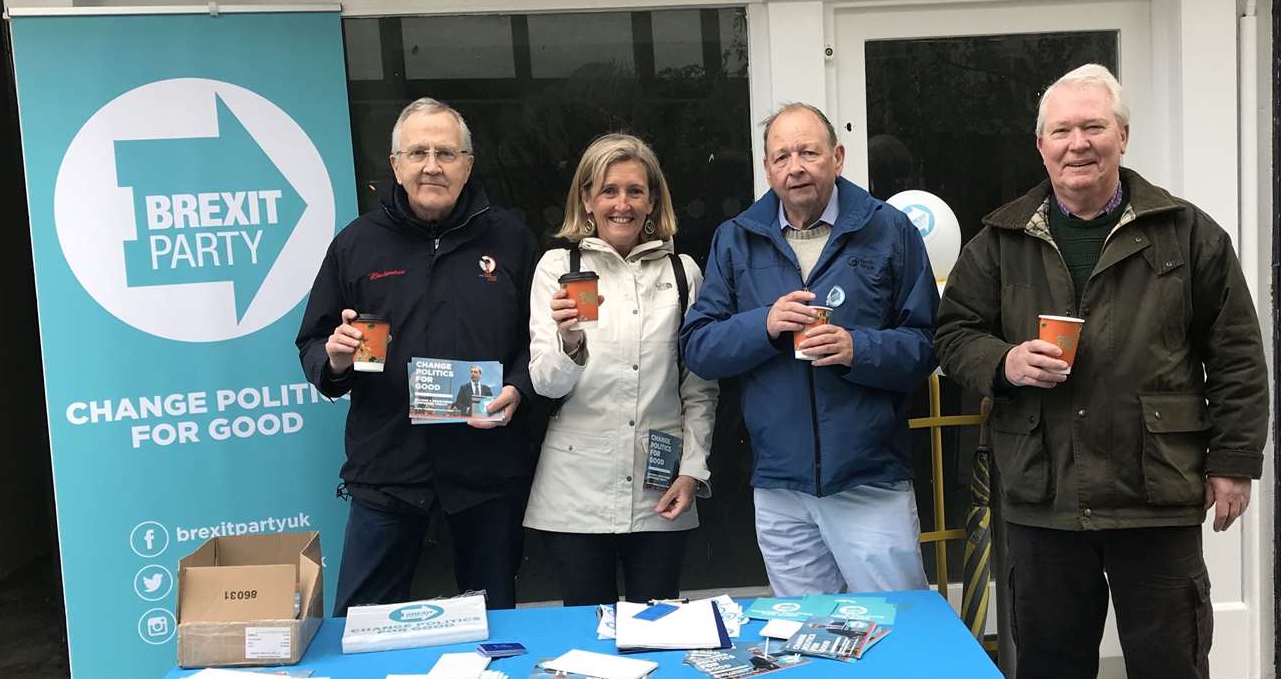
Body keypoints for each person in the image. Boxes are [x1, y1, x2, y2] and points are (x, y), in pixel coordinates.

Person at [935, 64, 1268, 679]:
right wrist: (1003, 363)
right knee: (1047, 668)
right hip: (1041, 490)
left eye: (1092, 127)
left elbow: (1234, 355)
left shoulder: (1184, 233)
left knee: (1171, 670)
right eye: (1060, 131)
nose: (1076, 144)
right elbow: (953, 333)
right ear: (1039, 145)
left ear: (1122, 136)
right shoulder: (999, 238)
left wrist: (1232, 461)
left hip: (1153, 486)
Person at [680, 103, 938, 595]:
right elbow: (699, 347)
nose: (794, 167)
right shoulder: (736, 240)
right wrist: (765, 324)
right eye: (781, 156)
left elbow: (926, 345)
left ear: (837, 157)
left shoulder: (889, 230)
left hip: (869, 481)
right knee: (808, 643)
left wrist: (856, 349)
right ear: (767, 169)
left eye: (808, 152)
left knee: (896, 634)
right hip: (780, 486)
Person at [296, 97, 538, 614]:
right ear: (396, 165)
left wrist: (519, 384)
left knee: (492, 628)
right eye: (419, 152)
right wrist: (336, 357)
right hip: (388, 471)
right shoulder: (357, 245)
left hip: (484, 472)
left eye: (447, 153)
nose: (432, 165)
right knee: (360, 627)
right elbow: (314, 343)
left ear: (468, 164)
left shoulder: (512, 239)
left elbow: (537, 340)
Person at [524, 134, 717, 605]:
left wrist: (692, 470)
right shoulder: (558, 266)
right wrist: (569, 341)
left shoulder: (682, 272)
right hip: (575, 493)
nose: (622, 204)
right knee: (587, 638)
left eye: (634, 191)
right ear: (587, 199)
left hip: (661, 487)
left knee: (658, 630)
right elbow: (545, 384)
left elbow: (699, 388)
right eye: (608, 190)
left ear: (653, 200)